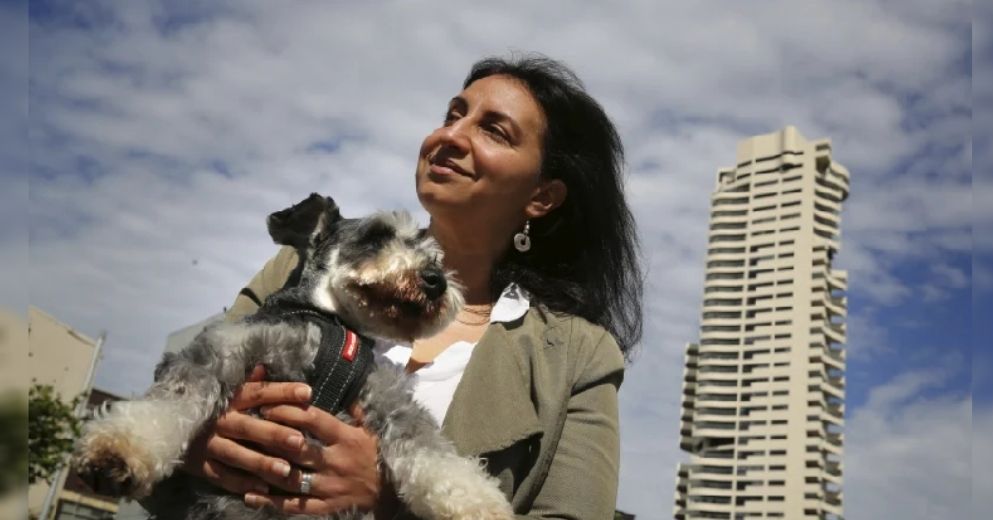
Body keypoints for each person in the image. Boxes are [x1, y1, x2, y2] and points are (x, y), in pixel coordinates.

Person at [153, 54, 643, 519]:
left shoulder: (579, 356)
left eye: (493, 130)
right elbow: (170, 400)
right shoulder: (299, 265)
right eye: (453, 114)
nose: (451, 136)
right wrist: (200, 438)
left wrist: (388, 501)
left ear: (541, 197)